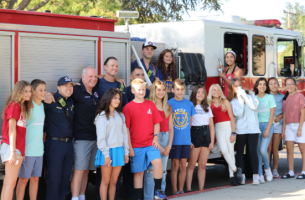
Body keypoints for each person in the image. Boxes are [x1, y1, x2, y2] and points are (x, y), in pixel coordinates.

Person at [123, 78, 166, 200]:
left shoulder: (150, 104)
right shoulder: (128, 107)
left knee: (158, 163)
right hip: (136, 145)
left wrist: (156, 138)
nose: (141, 92)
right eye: (138, 90)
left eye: (143, 89)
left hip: (150, 143)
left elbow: (156, 123)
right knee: (139, 173)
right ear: (132, 91)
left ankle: (157, 192)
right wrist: (129, 148)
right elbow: (126, 130)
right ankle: (138, 197)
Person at [0, 80, 33, 200]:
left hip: (14, 148)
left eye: (30, 91)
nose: (29, 94)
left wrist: (21, 152)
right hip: (11, 148)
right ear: (19, 92)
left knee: (8, 183)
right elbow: (12, 130)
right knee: (10, 183)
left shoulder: (20, 106)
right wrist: (13, 153)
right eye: (25, 91)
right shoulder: (15, 106)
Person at [94, 89, 129, 200]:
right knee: (105, 181)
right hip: (107, 152)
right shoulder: (102, 117)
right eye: (115, 98)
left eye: (119, 98)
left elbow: (124, 135)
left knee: (114, 181)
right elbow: (101, 139)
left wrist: (126, 152)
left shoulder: (121, 116)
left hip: (119, 151)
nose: (118, 100)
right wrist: (106, 155)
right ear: (108, 98)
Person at [44, 76, 75, 200]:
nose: (69, 88)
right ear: (58, 88)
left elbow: (87, 82)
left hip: (69, 145)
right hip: (55, 145)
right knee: (54, 178)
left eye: (70, 85)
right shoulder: (50, 100)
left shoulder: (71, 101)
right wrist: (46, 94)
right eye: (65, 86)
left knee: (66, 177)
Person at [16, 79, 46, 200]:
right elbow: (19, 130)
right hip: (27, 151)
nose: (44, 92)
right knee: (23, 180)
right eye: (41, 90)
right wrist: (20, 151)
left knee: (35, 179)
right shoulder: (27, 106)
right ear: (33, 91)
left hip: (39, 150)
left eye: (45, 90)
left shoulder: (42, 105)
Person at [144, 80, 173, 200]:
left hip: (165, 138)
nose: (161, 92)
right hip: (153, 138)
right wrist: (160, 147)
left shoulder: (168, 106)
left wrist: (169, 146)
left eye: (163, 90)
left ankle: (159, 196)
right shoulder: (149, 105)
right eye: (158, 89)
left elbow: (171, 128)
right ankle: (149, 197)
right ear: (154, 90)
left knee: (163, 171)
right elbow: (148, 128)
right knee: (151, 171)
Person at [207, 84, 241, 186]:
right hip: (218, 128)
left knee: (230, 151)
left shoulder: (225, 101)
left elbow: (232, 117)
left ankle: (232, 176)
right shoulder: (209, 103)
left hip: (228, 127)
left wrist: (233, 132)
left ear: (220, 91)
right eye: (214, 90)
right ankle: (235, 170)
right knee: (224, 150)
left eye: (218, 90)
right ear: (211, 91)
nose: (216, 92)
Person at [228, 78, 261, 185]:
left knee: (252, 151)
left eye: (239, 85)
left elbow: (255, 107)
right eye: (235, 86)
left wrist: (245, 96)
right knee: (240, 153)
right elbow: (239, 114)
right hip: (240, 130)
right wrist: (241, 100)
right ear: (232, 88)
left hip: (253, 129)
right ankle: (242, 176)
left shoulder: (250, 95)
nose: (238, 88)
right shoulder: (233, 101)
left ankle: (255, 176)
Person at [168, 79, 196, 195]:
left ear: (185, 90)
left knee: (183, 165)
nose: (180, 92)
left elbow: (189, 124)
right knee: (175, 165)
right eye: (177, 89)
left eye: (182, 90)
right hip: (174, 140)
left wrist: (190, 140)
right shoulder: (169, 103)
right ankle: (174, 190)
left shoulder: (189, 104)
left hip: (185, 140)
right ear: (173, 90)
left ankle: (181, 189)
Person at [186, 85, 215, 191]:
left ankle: (201, 188)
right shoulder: (190, 106)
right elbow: (188, 125)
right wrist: (189, 140)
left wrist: (211, 141)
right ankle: (188, 189)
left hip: (205, 134)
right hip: (195, 134)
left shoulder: (207, 107)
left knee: (202, 165)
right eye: (198, 92)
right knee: (191, 164)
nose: (200, 94)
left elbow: (211, 126)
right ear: (194, 93)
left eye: (203, 92)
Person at [281, 77, 305, 179]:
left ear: (295, 85)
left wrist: (300, 128)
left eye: (291, 84)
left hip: (299, 125)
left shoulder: (300, 96)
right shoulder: (285, 98)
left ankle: (303, 171)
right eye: (287, 84)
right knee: (289, 149)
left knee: (302, 149)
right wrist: (283, 130)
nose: (289, 86)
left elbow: (303, 113)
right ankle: (290, 172)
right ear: (285, 86)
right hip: (288, 127)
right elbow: (285, 114)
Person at [254, 77, 275, 183]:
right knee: (258, 151)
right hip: (256, 126)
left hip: (268, 125)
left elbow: (272, 114)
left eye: (264, 84)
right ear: (257, 86)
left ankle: (267, 169)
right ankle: (259, 173)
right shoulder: (253, 97)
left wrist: (267, 129)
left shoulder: (270, 97)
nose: (262, 86)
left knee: (263, 150)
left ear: (266, 87)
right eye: (260, 84)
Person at [267, 78, 284, 178]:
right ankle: (267, 169)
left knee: (274, 149)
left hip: (278, 124)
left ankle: (275, 169)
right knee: (268, 148)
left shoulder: (282, 97)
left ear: (278, 85)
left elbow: (285, 111)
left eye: (275, 84)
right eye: (271, 84)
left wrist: (280, 116)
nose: (273, 86)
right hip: (268, 124)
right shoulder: (266, 96)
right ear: (268, 86)